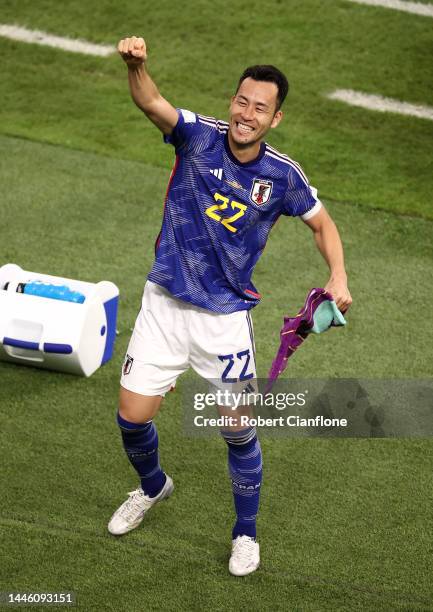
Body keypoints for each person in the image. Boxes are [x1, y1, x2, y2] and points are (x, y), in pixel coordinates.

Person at [108, 35, 352, 577]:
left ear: (275, 118)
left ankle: (245, 533)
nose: (247, 114)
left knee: (238, 430)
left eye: (259, 108)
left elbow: (322, 222)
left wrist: (337, 273)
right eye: (242, 101)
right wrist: (137, 66)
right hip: (164, 306)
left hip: (223, 322)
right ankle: (152, 487)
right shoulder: (197, 137)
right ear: (232, 102)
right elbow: (151, 102)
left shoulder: (283, 176)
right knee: (132, 418)